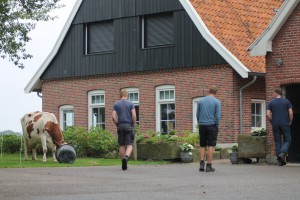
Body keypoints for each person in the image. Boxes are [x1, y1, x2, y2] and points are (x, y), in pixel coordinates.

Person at [196, 86, 221, 172]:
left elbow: (197, 114)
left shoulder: (201, 101)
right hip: (211, 125)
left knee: (202, 145)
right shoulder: (217, 102)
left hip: (202, 125)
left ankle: (201, 164)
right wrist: (216, 126)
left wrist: (200, 122)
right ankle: (209, 165)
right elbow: (217, 116)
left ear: (209, 91)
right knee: (211, 145)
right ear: (216, 92)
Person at [266, 89, 293, 166]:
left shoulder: (271, 102)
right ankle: (283, 152)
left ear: (276, 93)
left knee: (277, 142)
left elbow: (268, 115)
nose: (272, 95)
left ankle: (280, 161)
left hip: (275, 124)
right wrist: (290, 121)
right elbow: (291, 113)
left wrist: (271, 122)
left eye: (273, 93)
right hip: (285, 123)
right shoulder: (286, 101)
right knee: (287, 140)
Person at [112, 89, 136, 170]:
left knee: (121, 145)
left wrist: (117, 124)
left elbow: (113, 117)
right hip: (129, 125)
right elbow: (134, 115)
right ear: (127, 95)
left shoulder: (116, 104)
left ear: (120, 95)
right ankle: (126, 157)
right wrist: (134, 124)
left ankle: (123, 163)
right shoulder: (131, 104)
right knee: (129, 144)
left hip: (120, 126)